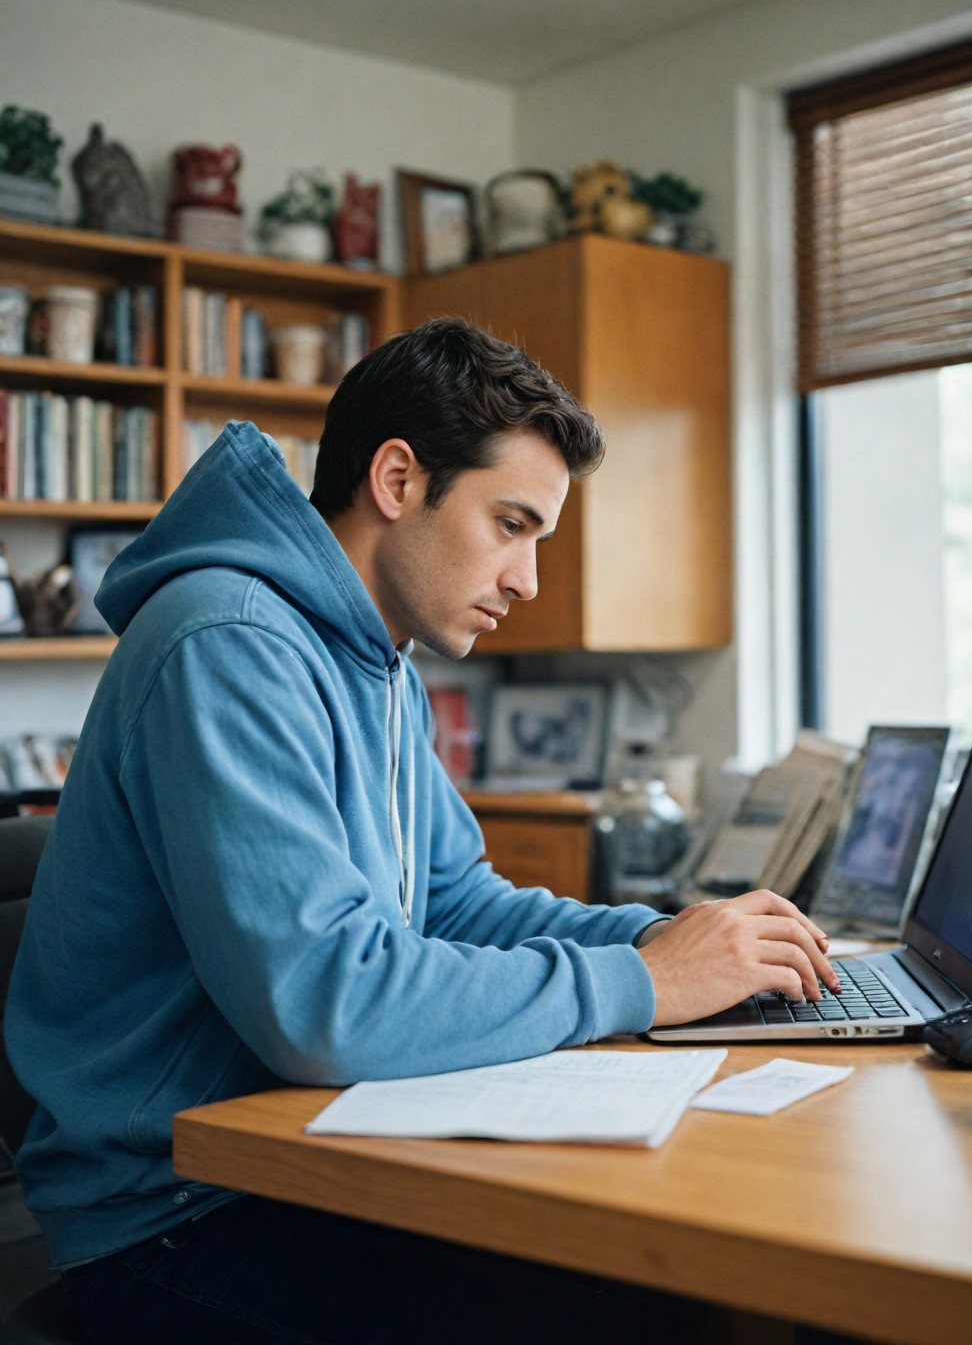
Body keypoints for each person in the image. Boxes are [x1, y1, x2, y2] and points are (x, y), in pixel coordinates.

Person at [8, 317, 839, 1343]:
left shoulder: (376, 659)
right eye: (511, 524)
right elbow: (327, 1001)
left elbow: (453, 900)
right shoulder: (230, 644)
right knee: (648, 1309)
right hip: (176, 1217)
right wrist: (650, 984)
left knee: (685, 1288)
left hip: (302, 1162)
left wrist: (667, 943)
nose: (528, 580)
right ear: (398, 481)